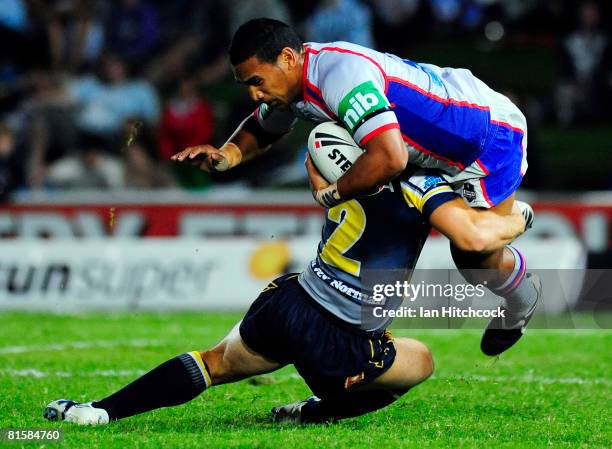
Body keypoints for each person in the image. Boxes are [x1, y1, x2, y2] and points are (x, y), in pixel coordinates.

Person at [43, 130, 527, 426]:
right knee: (420, 361)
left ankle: (98, 410)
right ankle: (311, 411)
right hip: (342, 335)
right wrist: (520, 217)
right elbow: (476, 237)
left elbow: (316, 172)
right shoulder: (424, 185)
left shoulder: (332, 147)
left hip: (291, 300)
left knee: (213, 363)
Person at [171, 18, 540, 356]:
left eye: (256, 82)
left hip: (485, 136)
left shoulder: (339, 76)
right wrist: (226, 155)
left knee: (474, 255)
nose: (254, 94)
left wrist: (331, 194)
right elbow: (263, 127)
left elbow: (390, 157)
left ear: (286, 58)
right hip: (431, 149)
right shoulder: (296, 85)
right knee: (463, 246)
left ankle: (521, 244)